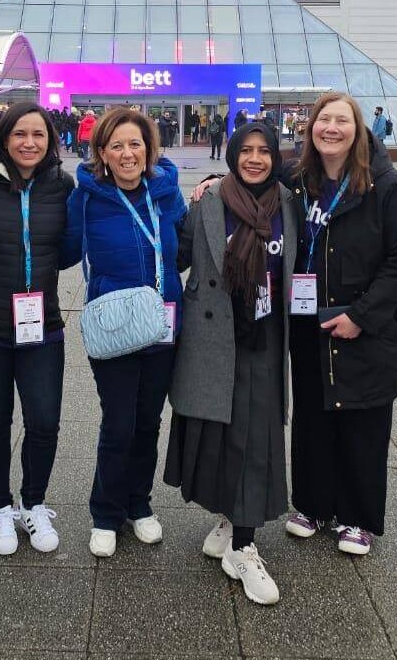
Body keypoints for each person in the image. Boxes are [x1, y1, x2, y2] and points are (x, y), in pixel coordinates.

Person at [286, 92, 397, 556]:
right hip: (309, 321)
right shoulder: (299, 181)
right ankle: (312, 505)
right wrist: (211, 181)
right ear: (310, 128)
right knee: (312, 416)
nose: (331, 128)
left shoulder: (389, 186)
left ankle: (358, 517)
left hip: (362, 325)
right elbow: (251, 180)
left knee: (362, 421)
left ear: (358, 129)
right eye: (323, 119)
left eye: (341, 120)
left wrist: (361, 316)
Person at [165, 123, 297, 605]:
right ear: (233, 155)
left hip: (266, 338)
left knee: (256, 437)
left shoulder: (288, 203)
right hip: (216, 337)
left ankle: (243, 545)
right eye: (247, 150)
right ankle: (229, 517)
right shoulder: (210, 201)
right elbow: (175, 254)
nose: (255, 159)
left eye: (264, 151)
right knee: (222, 434)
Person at [63, 108, 187, 557]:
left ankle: (139, 504)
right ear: (102, 152)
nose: (127, 153)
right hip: (114, 323)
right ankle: (106, 513)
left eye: (135, 144)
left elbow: (185, 245)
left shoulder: (167, 192)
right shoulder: (87, 197)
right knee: (119, 422)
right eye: (116, 145)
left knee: (149, 421)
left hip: (162, 322)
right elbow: (62, 252)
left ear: (149, 149)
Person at [0, 103, 75, 557]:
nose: (29, 142)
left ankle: (33, 503)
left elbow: (68, 249)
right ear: (4, 137)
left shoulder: (61, 185)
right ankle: (0, 508)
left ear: (50, 140)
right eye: (20, 134)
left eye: (38, 134)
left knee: (44, 421)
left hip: (41, 324)